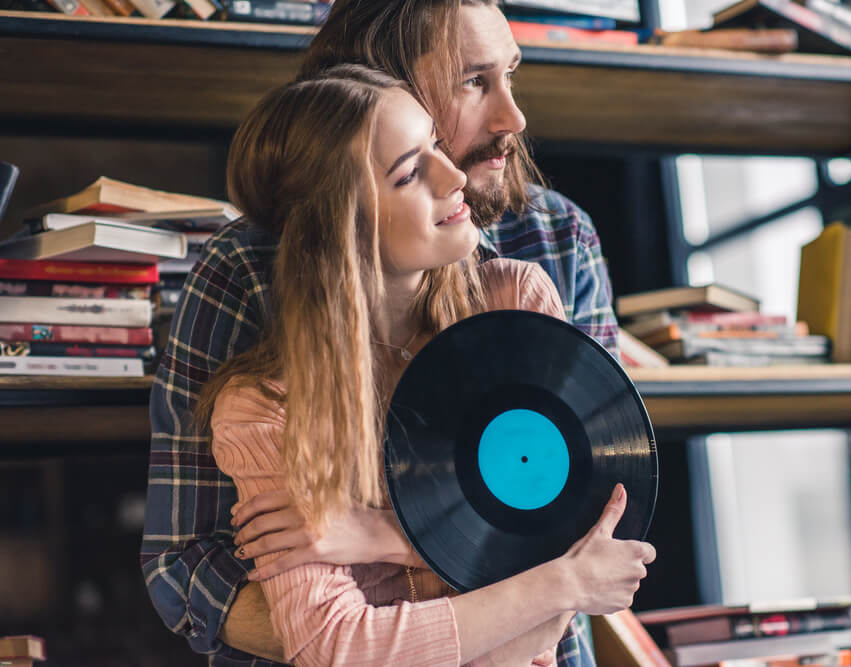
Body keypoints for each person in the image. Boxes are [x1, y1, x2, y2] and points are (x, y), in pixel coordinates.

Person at [140, 1, 620, 664]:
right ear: (378, 84)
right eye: (472, 81)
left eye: (510, 74)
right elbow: (185, 564)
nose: (514, 118)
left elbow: (588, 520)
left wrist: (390, 533)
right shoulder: (248, 274)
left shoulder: (548, 250)